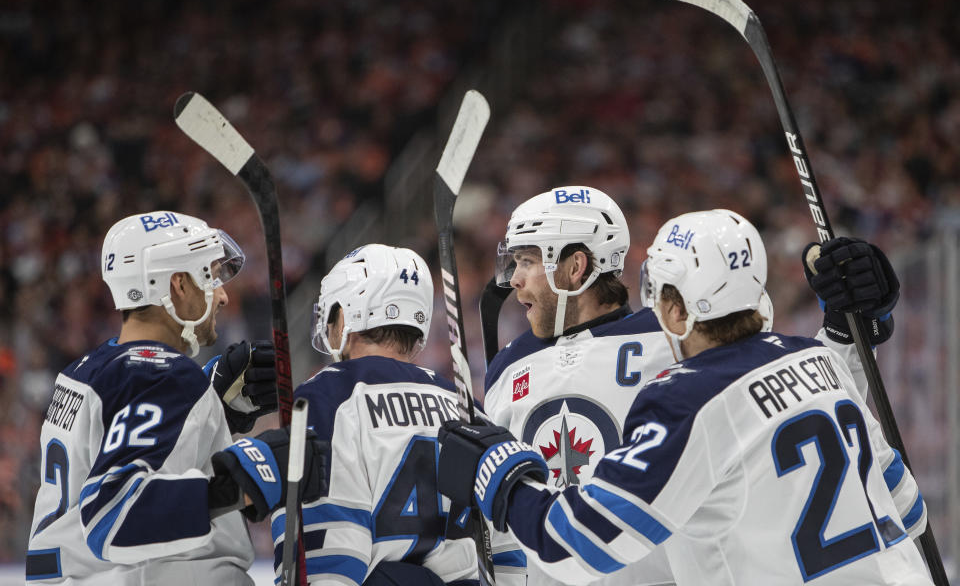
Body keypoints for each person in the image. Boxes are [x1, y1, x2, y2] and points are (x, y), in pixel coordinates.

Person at [438, 209, 933, 585]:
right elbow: (909, 512)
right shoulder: (816, 360)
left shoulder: (685, 400)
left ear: (674, 310)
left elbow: (583, 539)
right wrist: (851, 332)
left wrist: (502, 477)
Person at [26, 211, 326, 584]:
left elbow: (125, 448)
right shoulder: (164, 376)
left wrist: (216, 407)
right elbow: (115, 516)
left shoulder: (87, 369)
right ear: (179, 285)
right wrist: (243, 482)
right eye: (210, 276)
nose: (222, 295)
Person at [270, 243, 524, 586]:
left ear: (345, 316)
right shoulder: (468, 408)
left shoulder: (325, 398)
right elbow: (508, 552)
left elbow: (328, 555)